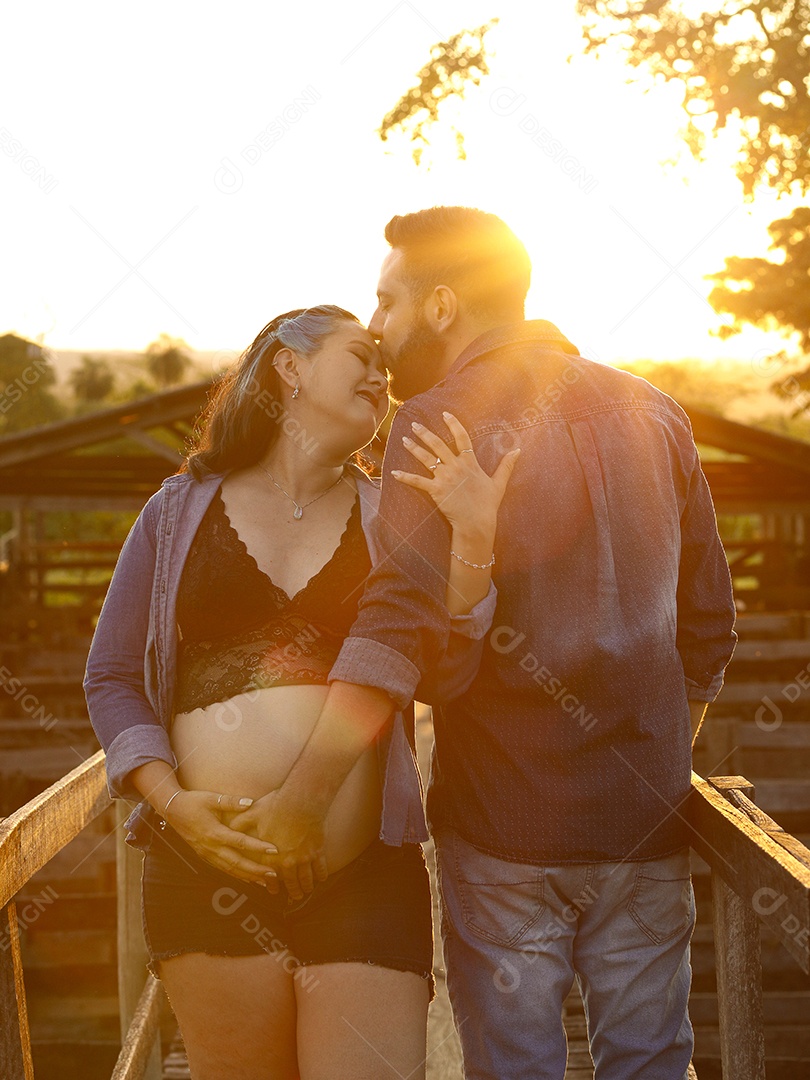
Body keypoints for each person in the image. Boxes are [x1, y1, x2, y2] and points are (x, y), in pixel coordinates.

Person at [241, 212, 738, 1080]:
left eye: (387, 301)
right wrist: (654, 762)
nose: (380, 331)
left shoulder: (435, 423)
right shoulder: (654, 411)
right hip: (646, 827)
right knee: (654, 1064)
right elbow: (708, 626)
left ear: (441, 304)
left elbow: (398, 624)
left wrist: (301, 797)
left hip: (506, 827)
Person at [84, 304, 518, 1080]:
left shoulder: (394, 514)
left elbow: (445, 678)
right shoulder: (174, 513)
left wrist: (476, 543)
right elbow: (112, 676)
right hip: (203, 869)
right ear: (289, 367)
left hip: (362, 875)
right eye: (362, 354)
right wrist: (175, 807)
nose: (382, 374)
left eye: (386, 364)